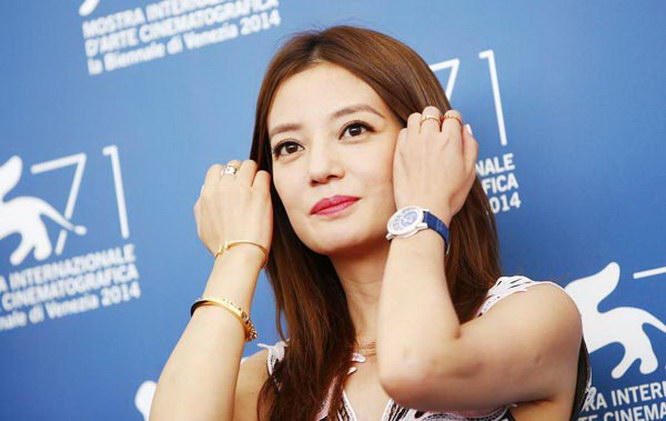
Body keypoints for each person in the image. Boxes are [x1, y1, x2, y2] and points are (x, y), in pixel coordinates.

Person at [149, 24, 593, 421]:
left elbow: (415, 366)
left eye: (354, 129)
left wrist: (424, 207)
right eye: (289, 147)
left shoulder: (535, 315)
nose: (319, 168)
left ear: (425, 143)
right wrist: (237, 254)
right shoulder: (270, 387)